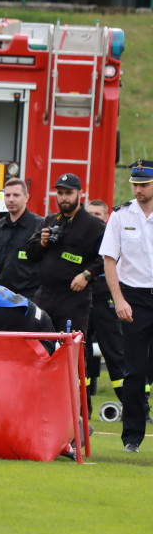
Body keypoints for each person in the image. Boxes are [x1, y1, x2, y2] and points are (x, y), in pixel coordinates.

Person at [99, 159, 153, 453]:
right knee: (134, 370)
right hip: (135, 298)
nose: (138, 189)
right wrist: (119, 300)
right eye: (135, 184)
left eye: (144, 184)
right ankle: (132, 437)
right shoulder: (120, 216)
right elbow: (109, 259)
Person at [24, 173, 105, 338]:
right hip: (45, 295)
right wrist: (42, 243)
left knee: (72, 349)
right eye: (60, 193)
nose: (63, 198)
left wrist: (87, 274)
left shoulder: (94, 225)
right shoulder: (50, 221)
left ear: (80, 194)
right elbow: (30, 254)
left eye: (68, 193)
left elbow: (106, 257)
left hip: (73, 299)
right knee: (39, 345)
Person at [84, 199, 126, 407]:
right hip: (83, 297)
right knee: (83, 352)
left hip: (106, 298)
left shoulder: (113, 235)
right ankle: (84, 406)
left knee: (114, 350)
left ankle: (134, 405)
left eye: (98, 214)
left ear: (106, 217)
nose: (93, 218)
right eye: (89, 213)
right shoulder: (81, 236)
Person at [0, 178, 43, 299]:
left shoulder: (39, 226)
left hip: (30, 298)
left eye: (16, 195)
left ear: (26, 197)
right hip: (0, 297)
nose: (11, 199)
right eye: (8, 195)